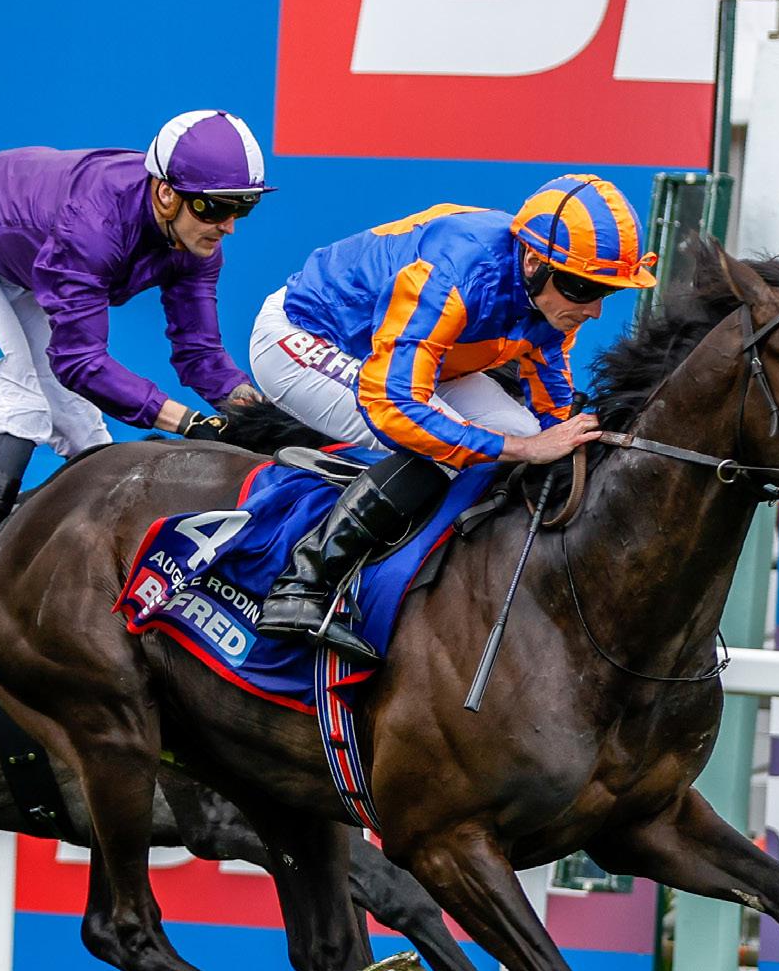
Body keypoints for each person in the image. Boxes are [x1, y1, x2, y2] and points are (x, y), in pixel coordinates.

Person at [248, 175, 656, 663]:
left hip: (413, 356)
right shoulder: (454, 270)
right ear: (532, 262)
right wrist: (523, 450)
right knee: (446, 444)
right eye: (583, 287)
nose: (593, 309)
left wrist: (561, 438)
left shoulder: (550, 296)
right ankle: (303, 586)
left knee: (523, 432)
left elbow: (549, 401)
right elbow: (395, 406)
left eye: (606, 291)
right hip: (307, 336)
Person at [0, 110, 272, 561]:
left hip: (24, 256)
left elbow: (200, 353)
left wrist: (256, 413)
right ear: (166, 193)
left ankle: (32, 535)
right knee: (18, 409)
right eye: (214, 208)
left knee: (87, 436)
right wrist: (187, 422)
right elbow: (78, 362)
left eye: (242, 207)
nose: (228, 225)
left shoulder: (198, 245)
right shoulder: (93, 227)